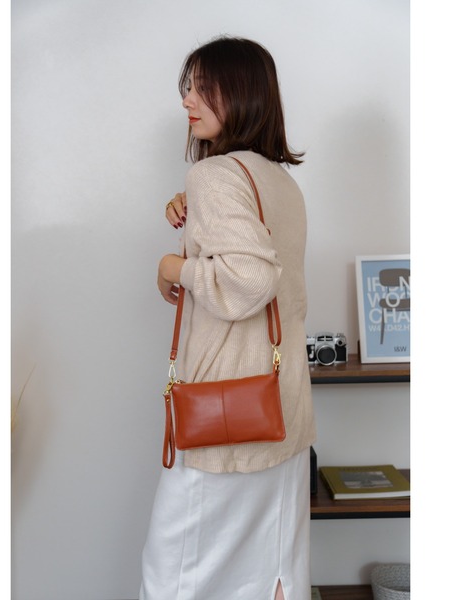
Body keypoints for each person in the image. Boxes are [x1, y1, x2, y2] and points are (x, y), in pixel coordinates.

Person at [140, 36, 316, 600]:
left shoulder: (214, 175)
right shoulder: (279, 181)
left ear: (240, 93)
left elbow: (251, 281)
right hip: (282, 411)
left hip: (224, 420)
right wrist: (198, 219)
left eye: (202, 87)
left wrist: (174, 265)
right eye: (187, 87)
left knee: (174, 578)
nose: (187, 100)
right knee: (272, 576)